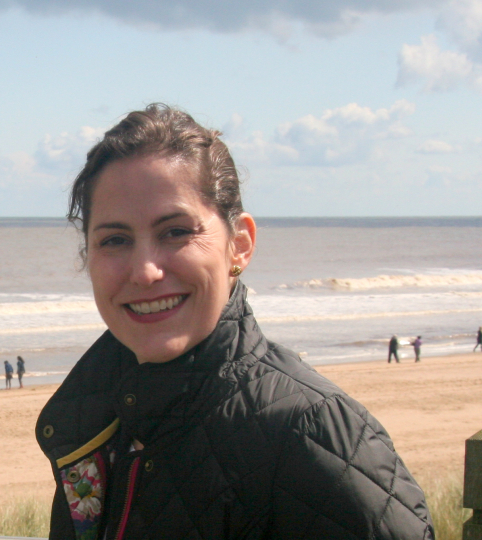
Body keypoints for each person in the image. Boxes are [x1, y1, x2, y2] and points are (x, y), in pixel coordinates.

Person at [35, 105, 433, 540]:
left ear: (239, 246)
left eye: (176, 232)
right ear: (87, 257)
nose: (145, 270)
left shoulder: (311, 431)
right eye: (115, 240)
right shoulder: (97, 420)